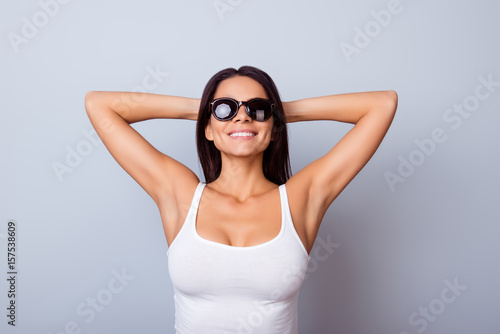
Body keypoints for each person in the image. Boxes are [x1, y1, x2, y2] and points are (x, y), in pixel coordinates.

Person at [84, 65, 398, 333]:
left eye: (256, 108)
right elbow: (99, 105)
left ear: (274, 128)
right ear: (207, 128)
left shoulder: (302, 198)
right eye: (226, 108)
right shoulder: (179, 193)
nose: (242, 118)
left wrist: (277, 112)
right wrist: (205, 108)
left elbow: (382, 104)